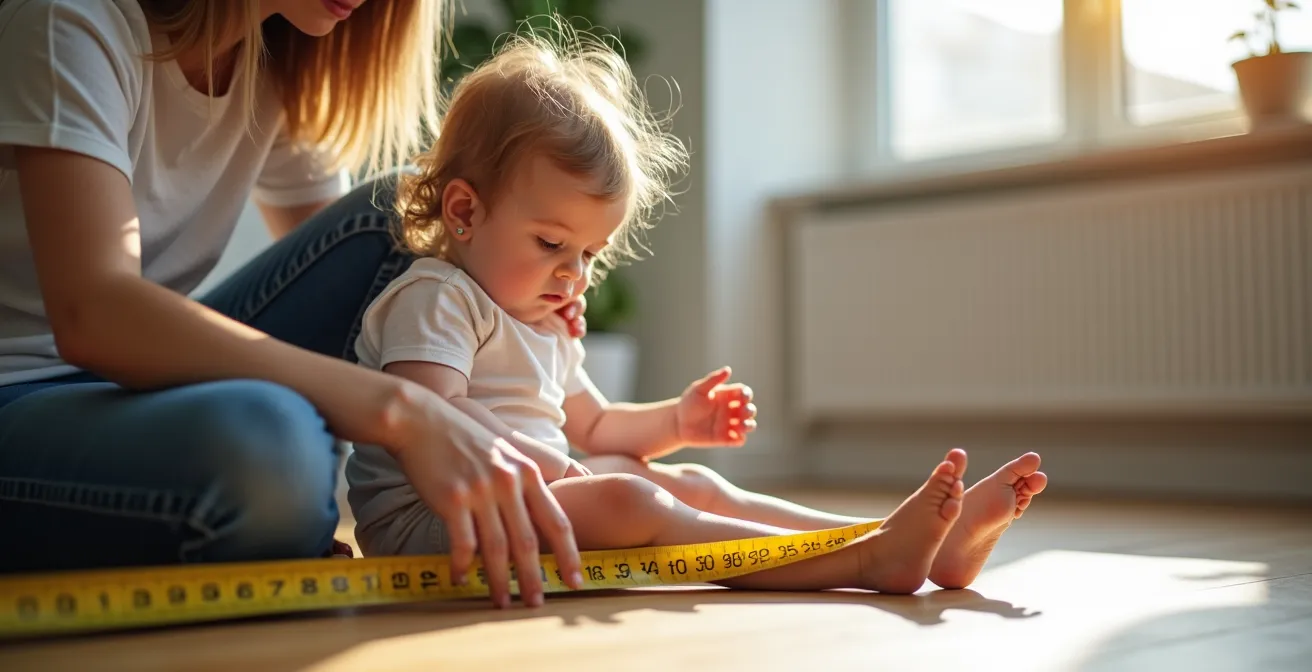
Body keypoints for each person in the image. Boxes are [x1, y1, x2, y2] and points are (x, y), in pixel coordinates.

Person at [346, 30, 1050, 601]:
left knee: (678, 480)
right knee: (628, 496)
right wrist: (565, 473)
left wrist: (676, 423)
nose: (574, 272)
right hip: (437, 523)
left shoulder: (541, 316)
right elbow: (436, 419)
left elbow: (591, 425)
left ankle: (886, 535)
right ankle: (863, 565)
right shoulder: (436, 297)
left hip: (523, 499)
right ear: (465, 212)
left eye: (591, 252)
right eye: (552, 244)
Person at [0, 0, 591, 609]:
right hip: (18, 394)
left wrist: (529, 307)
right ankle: (292, 510)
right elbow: (96, 316)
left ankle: (491, 507)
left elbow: (365, 289)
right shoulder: (69, 19)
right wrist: (406, 411)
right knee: (270, 451)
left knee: (405, 229)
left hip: (126, 387)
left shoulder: (270, 59)